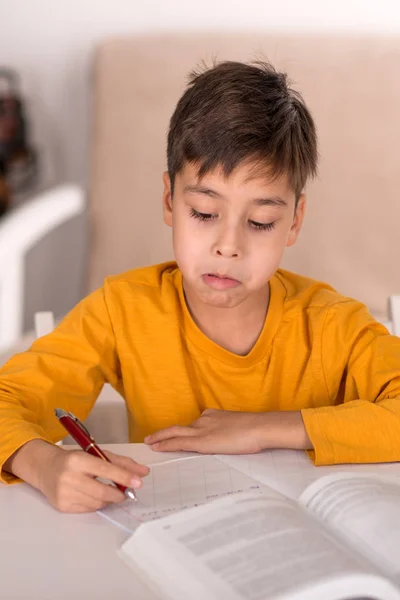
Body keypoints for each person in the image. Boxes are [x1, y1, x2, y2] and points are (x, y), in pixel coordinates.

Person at [1, 60, 400, 514]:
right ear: (170, 200)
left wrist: (265, 428)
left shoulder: (331, 325)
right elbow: (8, 399)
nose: (228, 246)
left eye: (260, 222)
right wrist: (41, 463)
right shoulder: (124, 311)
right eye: (205, 214)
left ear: (295, 221)